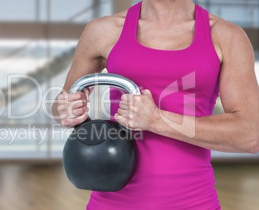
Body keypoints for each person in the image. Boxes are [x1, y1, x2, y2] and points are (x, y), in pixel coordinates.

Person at [51, 0, 259, 209]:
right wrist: (67, 110)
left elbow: (251, 135)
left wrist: (157, 120)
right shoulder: (103, 30)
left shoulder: (226, 36)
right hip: (111, 204)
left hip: (195, 202)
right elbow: (60, 107)